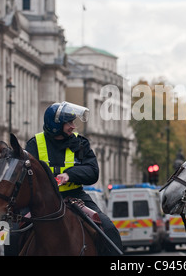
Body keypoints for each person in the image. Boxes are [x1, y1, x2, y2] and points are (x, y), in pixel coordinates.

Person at [25, 101, 122, 255]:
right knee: (12, 232)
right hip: (42, 201)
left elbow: (92, 171)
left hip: (75, 197)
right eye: (68, 122)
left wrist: (70, 175)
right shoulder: (34, 144)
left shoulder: (80, 143)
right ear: (55, 125)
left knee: (108, 229)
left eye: (73, 122)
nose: (73, 126)